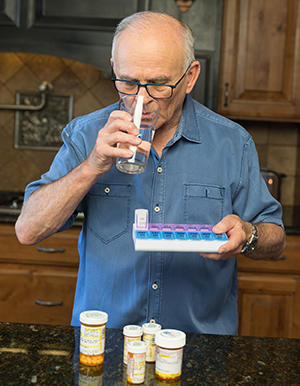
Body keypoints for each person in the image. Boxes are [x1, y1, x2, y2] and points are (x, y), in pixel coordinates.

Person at [15, 11, 285, 334]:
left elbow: (277, 238)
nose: (140, 99)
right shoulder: (86, 136)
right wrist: (92, 165)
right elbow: (28, 230)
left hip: (200, 352)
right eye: (128, 82)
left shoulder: (233, 143)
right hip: (106, 347)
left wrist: (248, 234)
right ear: (114, 68)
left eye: (158, 84)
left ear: (190, 76)